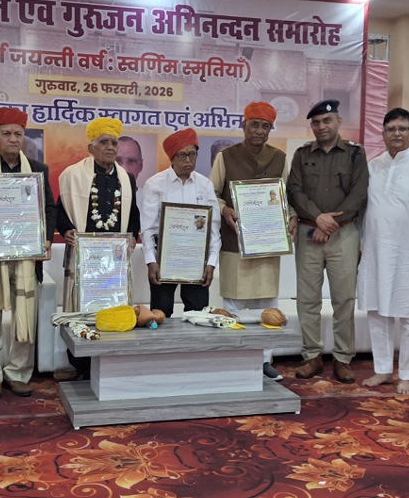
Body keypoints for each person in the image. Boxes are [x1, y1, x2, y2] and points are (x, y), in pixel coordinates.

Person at [0, 107, 55, 399]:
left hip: (27, 257)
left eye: (18, 133)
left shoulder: (38, 169)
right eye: (6, 133)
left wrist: (45, 240)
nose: (13, 139)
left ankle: (18, 372)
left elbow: (49, 208)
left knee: (25, 317)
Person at [211, 101, 295, 380]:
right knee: (233, 304)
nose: (259, 130)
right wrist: (224, 208)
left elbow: (287, 198)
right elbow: (211, 194)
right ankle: (233, 360)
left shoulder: (280, 158)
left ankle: (264, 361)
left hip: (267, 242)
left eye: (265, 126)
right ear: (243, 125)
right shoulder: (226, 157)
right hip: (234, 242)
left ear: (271, 129)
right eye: (254, 124)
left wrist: (292, 216)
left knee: (267, 305)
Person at [287, 99, 368, 383]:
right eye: (316, 122)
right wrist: (318, 218)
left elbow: (359, 193)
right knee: (307, 299)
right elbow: (295, 191)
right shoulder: (301, 154)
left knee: (343, 299)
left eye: (327, 121)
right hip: (309, 233)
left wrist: (331, 224)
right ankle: (312, 356)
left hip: (343, 234)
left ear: (338, 122)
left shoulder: (356, 154)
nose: (321, 126)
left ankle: (343, 359)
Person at [57, 117, 141, 378]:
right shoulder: (73, 175)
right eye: (104, 142)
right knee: (82, 311)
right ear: (90, 147)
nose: (110, 147)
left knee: (112, 309)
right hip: (84, 259)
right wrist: (66, 230)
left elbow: (133, 214)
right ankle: (81, 368)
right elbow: (60, 211)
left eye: (114, 143)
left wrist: (132, 236)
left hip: (114, 260)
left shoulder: (126, 178)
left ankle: (110, 367)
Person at [357, 108, 409, 394]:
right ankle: (383, 370)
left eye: (402, 128)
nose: (396, 133)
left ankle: (408, 375)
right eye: (391, 129)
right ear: (383, 133)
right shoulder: (372, 166)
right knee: (378, 314)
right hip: (375, 252)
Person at [141, 128, 221, 317]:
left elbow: (214, 228)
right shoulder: (155, 184)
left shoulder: (205, 185)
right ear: (172, 157)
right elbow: (148, 228)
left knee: (198, 314)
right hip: (164, 259)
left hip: (196, 260)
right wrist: (151, 261)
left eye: (192, 154)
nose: (188, 160)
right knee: (160, 313)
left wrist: (211, 263)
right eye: (182, 155)